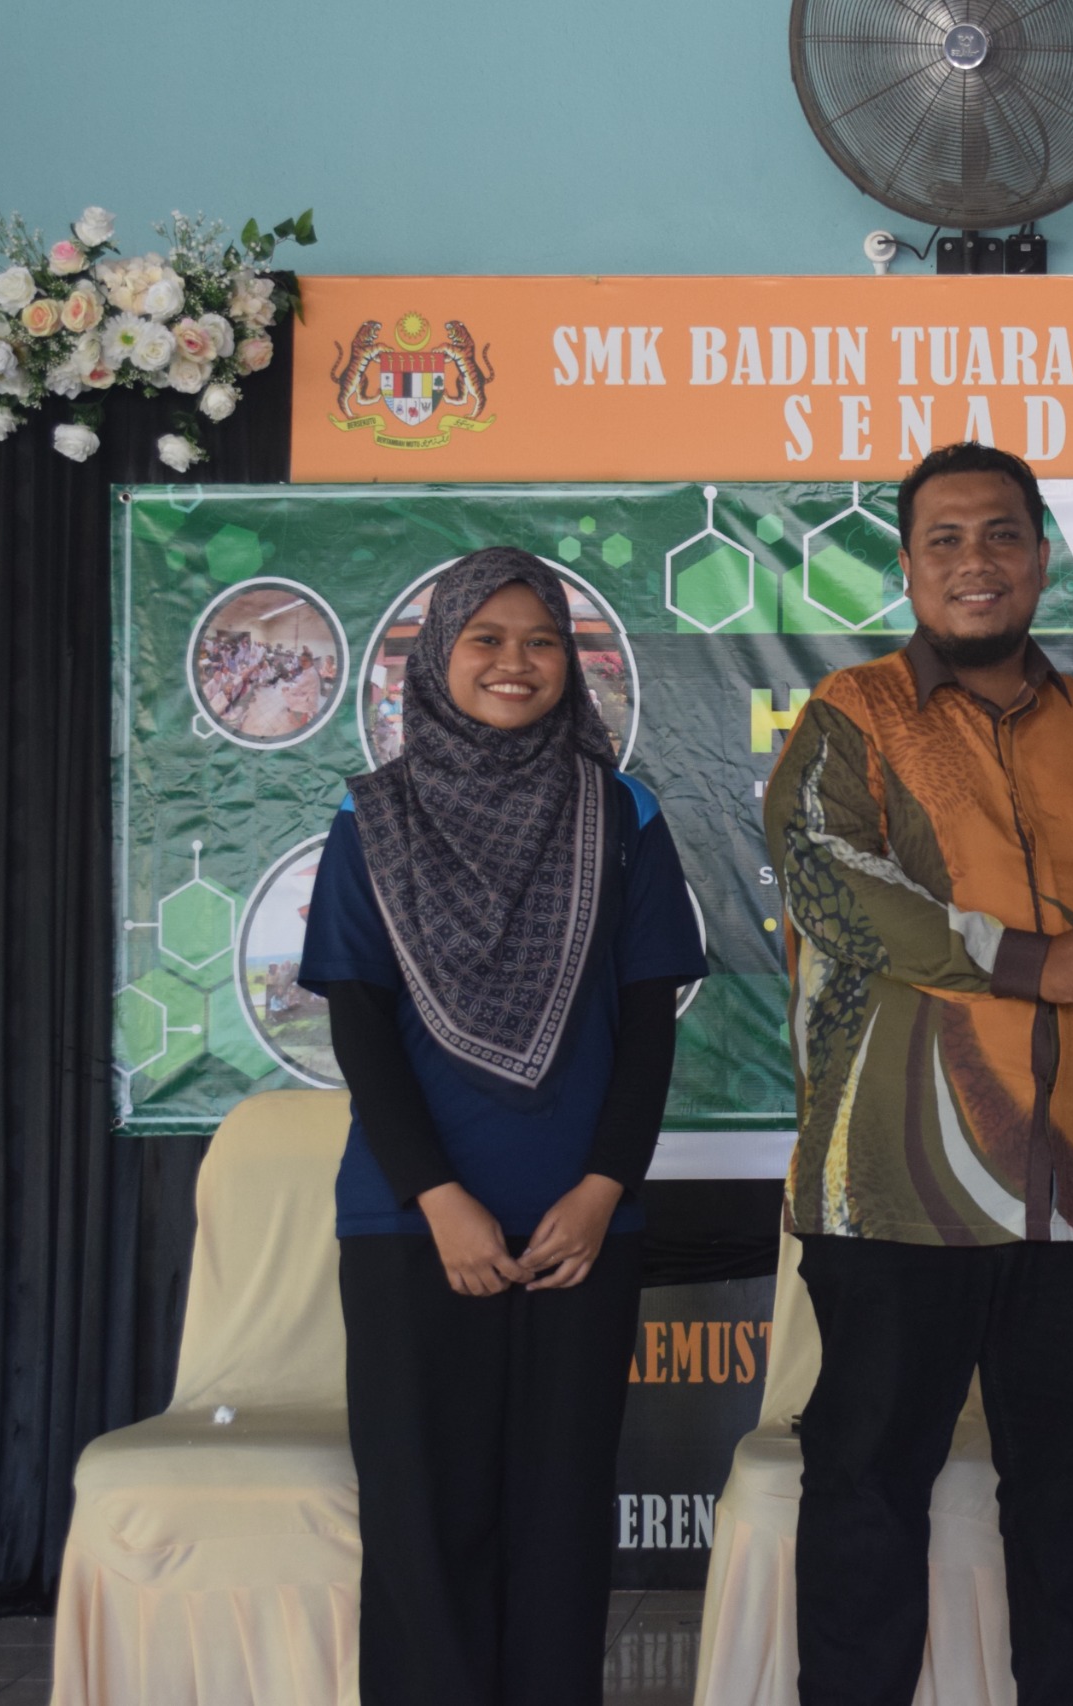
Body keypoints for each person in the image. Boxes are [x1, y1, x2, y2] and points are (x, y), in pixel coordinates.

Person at [763, 442, 1073, 1706]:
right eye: (947, 538)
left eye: (1003, 533)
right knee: (867, 1485)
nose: (977, 560)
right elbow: (834, 886)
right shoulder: (851, 715)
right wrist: (1032, 959)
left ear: (1040, 557)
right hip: (894, 1182)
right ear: (909, 566)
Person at [299, 546, 707, 1706]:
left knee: (559, 1519)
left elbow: (648, 1024)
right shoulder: (371, 815)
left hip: (581, 1222)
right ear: (438, 654)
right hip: (411, 1221)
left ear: (571, 661)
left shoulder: (622, 811)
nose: (513, 662)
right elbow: (361, 1025)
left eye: (540, 641)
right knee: (422, 1520)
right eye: (486, 637)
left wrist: (603, 1188)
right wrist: (438, 1198)